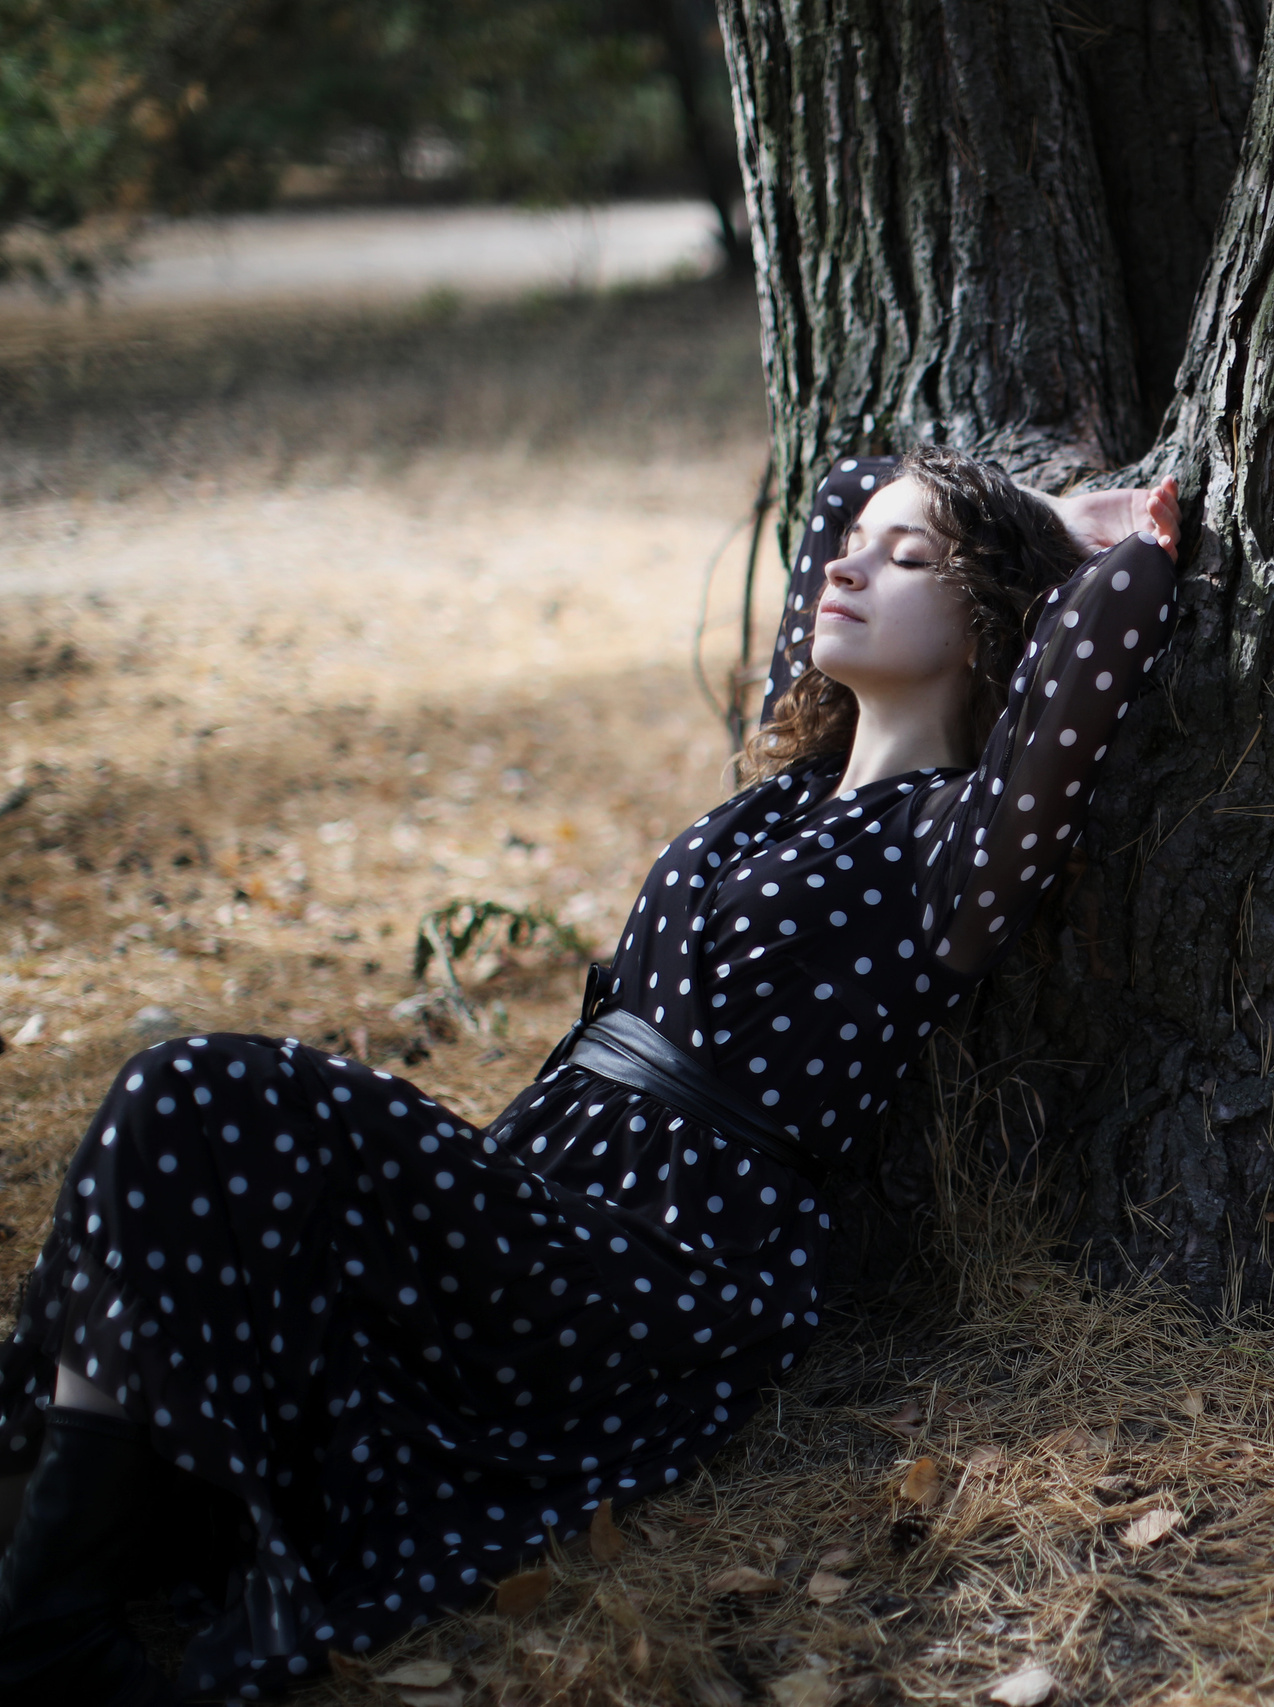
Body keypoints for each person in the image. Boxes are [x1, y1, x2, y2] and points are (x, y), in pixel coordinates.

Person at [0, 447, 1181, 1703]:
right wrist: (976, 514)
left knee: (191, 1094)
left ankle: (50, 1613)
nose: (849, 561)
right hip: (535, 1185)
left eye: (910, 559)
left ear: (992, 618)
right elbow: (841, 484)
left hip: (656, 1267)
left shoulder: (953, 849)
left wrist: (1092, 537)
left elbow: (1096, 634)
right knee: (181, 1132)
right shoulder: (781, 793)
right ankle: (59, 1560)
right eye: (864, 550)